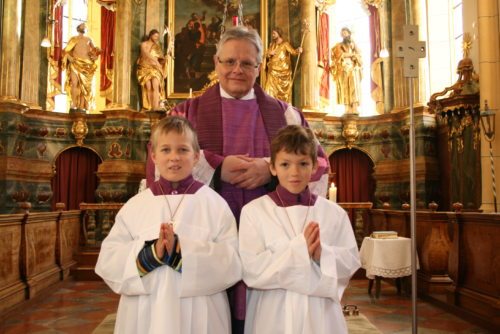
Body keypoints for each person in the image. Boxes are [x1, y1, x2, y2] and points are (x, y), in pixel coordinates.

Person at [149, 26, 329, 333]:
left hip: (270, 240)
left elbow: (319, 164)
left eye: (247, 63)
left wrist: (269, 168)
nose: (237, 69)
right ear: (216, 63)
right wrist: (217, 168)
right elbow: (161, 165)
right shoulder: (184, 113)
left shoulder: (286, 116)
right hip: (207, 236)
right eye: (229, 61)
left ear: (260, 67)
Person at [96, 116, 242, 333]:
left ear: (196, 156)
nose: (174, 157)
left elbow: (232, 262)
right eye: (166, 150)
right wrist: (150, 254)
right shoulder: (136, 205)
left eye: (183, 150)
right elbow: (108, 261)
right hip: (145, 312)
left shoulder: (214, 204)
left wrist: (180, 253)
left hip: (201, 313)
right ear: (154, 156)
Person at [239, 125, 361, 334]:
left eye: (303, 163)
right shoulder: (254, 211)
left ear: (314, 167)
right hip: (273, 313)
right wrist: (300, 251)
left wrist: (322, 255)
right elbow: (251, 270)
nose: (294, 172)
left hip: (321, 314)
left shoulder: (333, 213)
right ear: (273, 168)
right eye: (285, 164)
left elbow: (350, 262)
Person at [62, 23, 101, 111]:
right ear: (78, 28)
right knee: (74, 83)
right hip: (75, 63)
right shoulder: (73, 39)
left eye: (85, 26)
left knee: (85, 86)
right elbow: (65, 51)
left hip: (87, 65)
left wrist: (95, 56)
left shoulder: (89, 39)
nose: (84, 26)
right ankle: (73, 103)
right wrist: (69, 58)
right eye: (82, 25)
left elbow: (94, 52)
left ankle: (83, 106)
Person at [264, 27, 302, 103]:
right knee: (268, 88)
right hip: (272, 72)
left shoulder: (285, 44)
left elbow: (293, 52)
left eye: (274, 33)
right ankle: (268, 104)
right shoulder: (272, 44)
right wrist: (269, 53)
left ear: (279, 33)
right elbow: (266, 54)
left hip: (283, 71)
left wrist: (298, 50)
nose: (273, 35)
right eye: (272, 33)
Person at [331, 27, 362, 114]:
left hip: (353, 68)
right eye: (343, 33)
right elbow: (339, 55)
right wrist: (352, 54)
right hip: (344, 68)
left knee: (354, 87)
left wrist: (354, 44)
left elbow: (359, 53)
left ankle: (355, 107)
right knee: (345, 88)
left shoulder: (353, 44)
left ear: (349, 33)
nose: (344, 35)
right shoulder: (339, 45)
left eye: (346, 33)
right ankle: (347, 108)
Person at [137, 29, 167, 111]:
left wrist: (165, 58)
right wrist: (155, 61)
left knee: (155, 85)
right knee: (148, 87)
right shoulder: (143, 44)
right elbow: (145, 53)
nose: (156, 38)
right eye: (155, 36)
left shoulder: (157, 47)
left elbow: (161, 59)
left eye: (157, 36)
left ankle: (156, 106)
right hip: (144, 67)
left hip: (155, 68)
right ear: (151, 35)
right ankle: (149, 107)